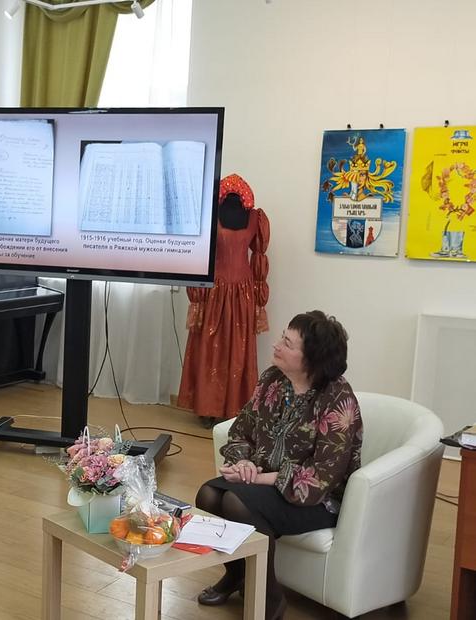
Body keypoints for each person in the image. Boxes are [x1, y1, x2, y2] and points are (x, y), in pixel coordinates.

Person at [194, 311, 363, 620]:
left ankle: (269, 597)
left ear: (311, 359)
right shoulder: (273, 379)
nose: (276, 345)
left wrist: (258, 479)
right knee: (208, 495)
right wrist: (243, 462)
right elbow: (241, 429)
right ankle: (236, 574)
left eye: (287, 343)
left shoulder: (338, 399)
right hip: (264, 482)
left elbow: (321, 478)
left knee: (234, 502)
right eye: (282, 337)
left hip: (318, 500)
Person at [178, 174, 270, 428]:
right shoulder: (209, 215)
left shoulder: (256, 219)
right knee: (210, 347)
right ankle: (207, 408)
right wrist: (196, 295)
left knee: (238, 349)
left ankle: (235, 407)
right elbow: (198, 256)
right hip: (214, 291)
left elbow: (259, 258)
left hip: (242, 293)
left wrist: (259, 297)